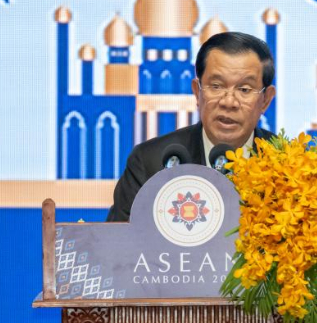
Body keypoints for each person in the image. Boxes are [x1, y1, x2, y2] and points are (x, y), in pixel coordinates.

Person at [106, 31, 277, 222]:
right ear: (197, 93)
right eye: (216, 86)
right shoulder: (149, 162)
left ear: (265, 100)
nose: (229, 102)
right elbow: (116, 243)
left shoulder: (289, 166)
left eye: (244, 89)